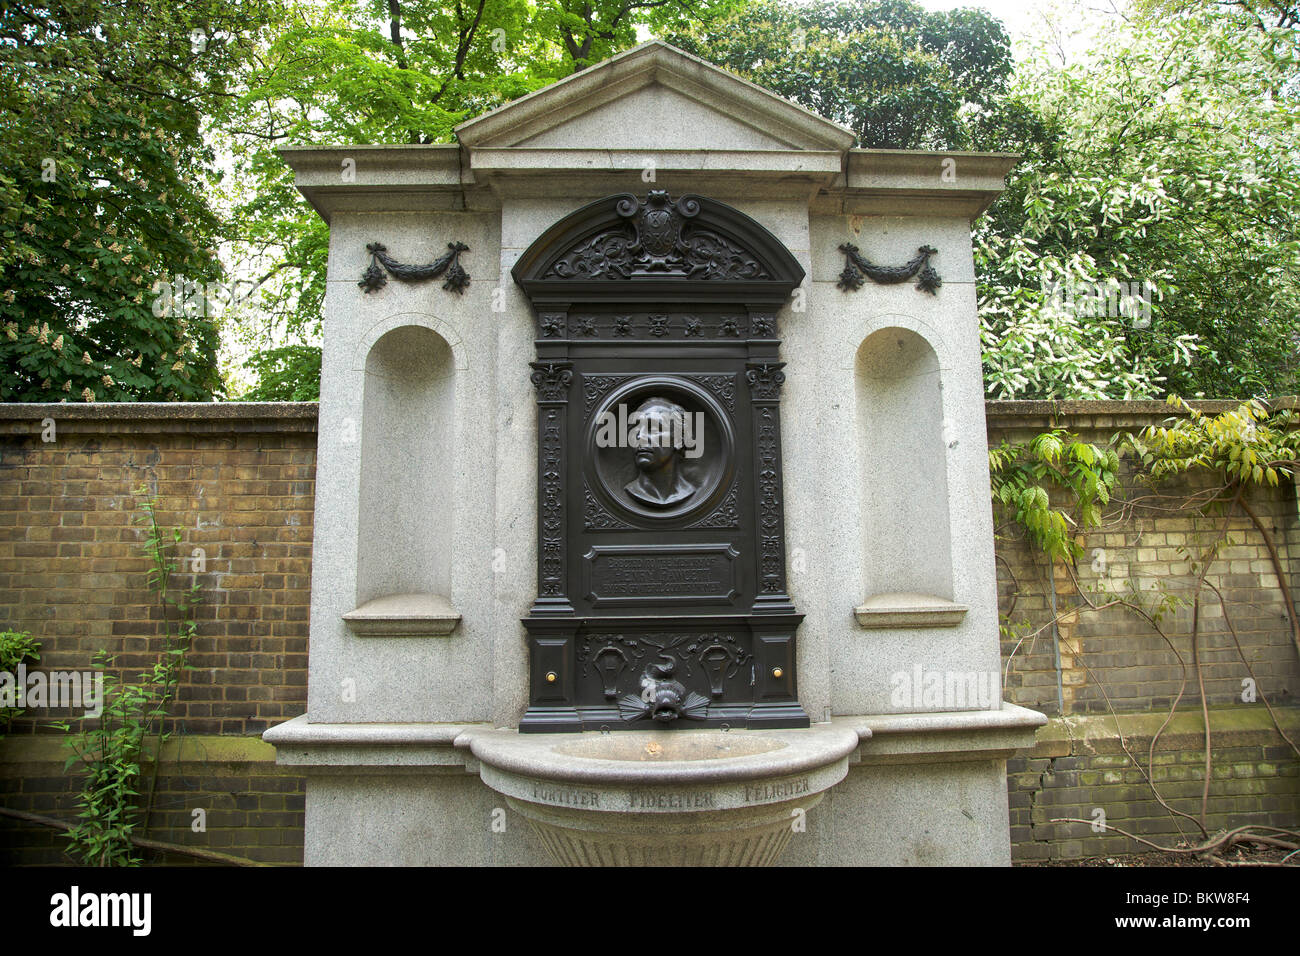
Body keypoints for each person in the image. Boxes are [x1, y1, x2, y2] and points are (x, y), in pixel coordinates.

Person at [624, 396, 698, 507]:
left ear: (679, 439)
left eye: (653, 428)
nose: (640, 436)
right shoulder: (631, 491)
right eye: (635, 430)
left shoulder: (689, 491)